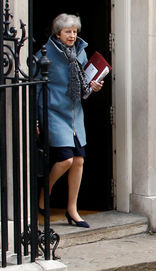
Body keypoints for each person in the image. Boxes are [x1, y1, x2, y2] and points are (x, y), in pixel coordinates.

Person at [37, 13, 103, 228]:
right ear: (58, 33)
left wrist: (92, 88)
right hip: (54, 112)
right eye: (68, 32)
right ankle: (43, 194)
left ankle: (71, 210)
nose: (72, 35)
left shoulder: (80, 54)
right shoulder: (44, 55)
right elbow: (36, 89)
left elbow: (83, 90)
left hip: (75, 114)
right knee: (65, 159)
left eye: (74, 31)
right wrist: (37, 120)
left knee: (79, 161)